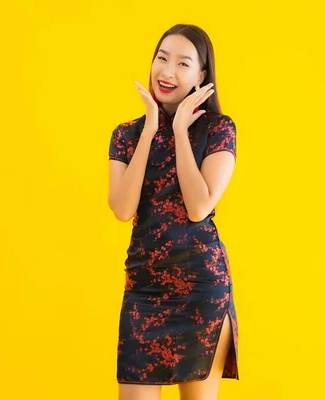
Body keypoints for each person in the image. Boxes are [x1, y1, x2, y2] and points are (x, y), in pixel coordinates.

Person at [107, 24, 239, 400]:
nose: (167, 71)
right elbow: (122, 208)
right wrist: (150, 132)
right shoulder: (127, 134)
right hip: (143, 289)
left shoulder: (218, 129)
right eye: (162, 58)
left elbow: (199, 207)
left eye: (183, 63)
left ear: (201, 76)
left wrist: (181, 131)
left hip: (200, 287)